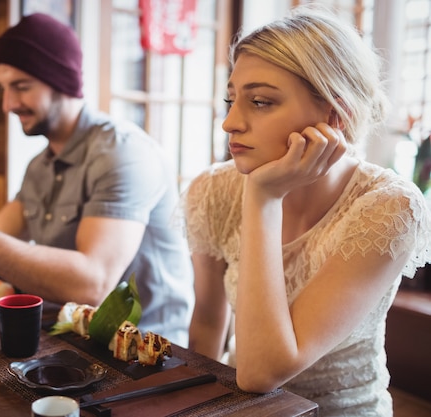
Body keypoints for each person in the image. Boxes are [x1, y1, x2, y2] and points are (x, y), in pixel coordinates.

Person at [0, 13, 194, 346]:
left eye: (21, 86)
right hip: (71, 337)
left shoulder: (122, 153)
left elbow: (93, 283)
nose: (8, 104)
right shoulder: (39, 167)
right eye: (4, 88)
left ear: (62, 81)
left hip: (148, 352)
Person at [180, 7, 431, 416]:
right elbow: (208, 327)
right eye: (231, 99)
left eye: (260, 101)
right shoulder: (212, 190)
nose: (229, 122)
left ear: (336, 115)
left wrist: (263, 198)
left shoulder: (388, 207)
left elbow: (262, 371)